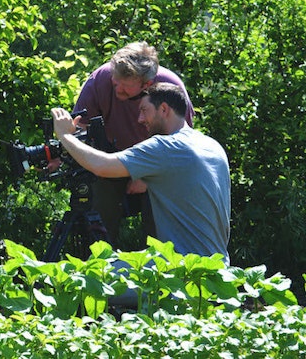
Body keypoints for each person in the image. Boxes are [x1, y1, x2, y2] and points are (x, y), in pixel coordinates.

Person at [51, 83, 230, 263]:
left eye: (144, 110)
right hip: (218, 266)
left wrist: (65, 135)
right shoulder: (211, 146)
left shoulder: (165, 147)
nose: (140, 119)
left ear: (164, 109)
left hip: (182, 267)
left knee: (93, 272)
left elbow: (102, 166)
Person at [72, 41, 195, 248]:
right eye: (115, 81)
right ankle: (96, 260)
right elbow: (78, 126)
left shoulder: (171, 88)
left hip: (159, 162)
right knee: (99, 210)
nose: (117, 87)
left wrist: (146, 177)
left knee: (160, 220)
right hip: (111, 156)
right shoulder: (101, 78)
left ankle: (159, 263)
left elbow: (183, 143)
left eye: (124, 85)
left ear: (147, 84)